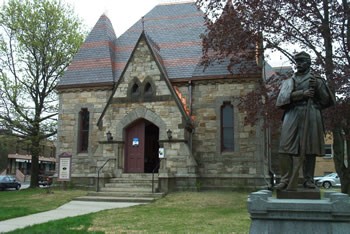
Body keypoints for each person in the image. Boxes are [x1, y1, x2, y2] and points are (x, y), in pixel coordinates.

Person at [274, 51, 335, 190]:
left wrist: (317, 91)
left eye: (302, 61)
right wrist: (302, 94)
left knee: (309, 149)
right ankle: (285, 180)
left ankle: (309, 180)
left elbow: (326, 100)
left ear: (309, 63)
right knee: (285, 147)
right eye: (297, 62)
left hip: (311, 113)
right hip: (292, 113)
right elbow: (281, 100)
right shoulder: (290, 81)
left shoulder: (316, 80)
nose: (299, 64)